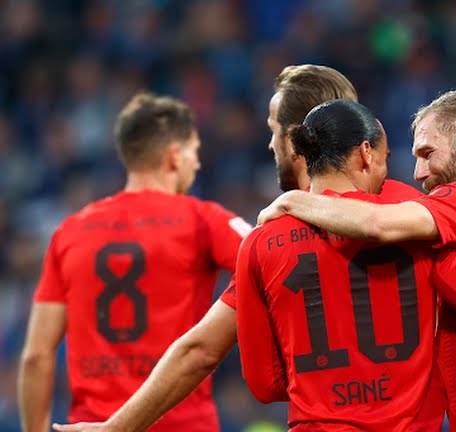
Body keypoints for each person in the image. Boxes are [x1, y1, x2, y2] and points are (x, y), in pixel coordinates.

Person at [50, 64, 431, 432]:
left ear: (298, 138)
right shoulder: (417, 216)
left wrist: (117, 427)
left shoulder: (271, 239)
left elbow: (210, 356)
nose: (269, 143)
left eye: (273, 130)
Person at [238, 98, 456, 431]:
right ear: (366, 153)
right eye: (391, 158)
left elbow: (265, 384)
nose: (416, 174)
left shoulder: (258, 242)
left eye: (425, 155)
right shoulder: (414, 215)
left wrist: (326, 387)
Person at [18, 93, 251, 432]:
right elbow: (269, 260)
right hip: (183, 425)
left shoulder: (70, 232)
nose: (197, 164)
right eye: (194, 152)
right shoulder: (203, 220)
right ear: (174, 156)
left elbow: (36, 357)